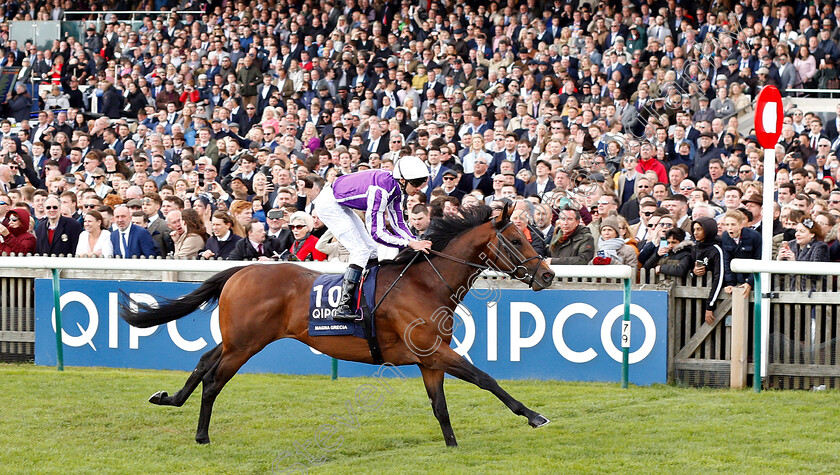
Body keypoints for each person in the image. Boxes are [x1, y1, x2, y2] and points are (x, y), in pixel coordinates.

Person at [313, 156, 432, 321]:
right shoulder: (381, 191)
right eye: (416, 183)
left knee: (372, 251)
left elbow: (398, 223)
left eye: (422, 182)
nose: (419, 188)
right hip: (329, 204)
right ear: (403, 180)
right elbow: (377, 233)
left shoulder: (397, 189)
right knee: (361, 251)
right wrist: (409, 243)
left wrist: (416, 241)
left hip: (340, 202)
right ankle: (343, 306)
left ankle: (368, 297)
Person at [691, 217, 725, 325]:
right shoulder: (696, 247)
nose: (695, 233)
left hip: (715, 300)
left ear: (708, 229)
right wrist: (694, 272)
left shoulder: (716, 250)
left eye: (699, 229)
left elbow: (719, 277)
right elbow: (691, 268)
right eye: (694, 229)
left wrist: (710, 305)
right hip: (696, 298)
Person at [722, 210, 762, 293]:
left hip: (754, 279)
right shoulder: (725, 237)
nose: (730, 228)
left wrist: (750, 282)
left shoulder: (754, 236)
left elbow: (758, 259)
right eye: (727, 225)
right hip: (737, 278)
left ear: (740, 225)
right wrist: (730, 283)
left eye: (733, 224)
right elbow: (726, 261)